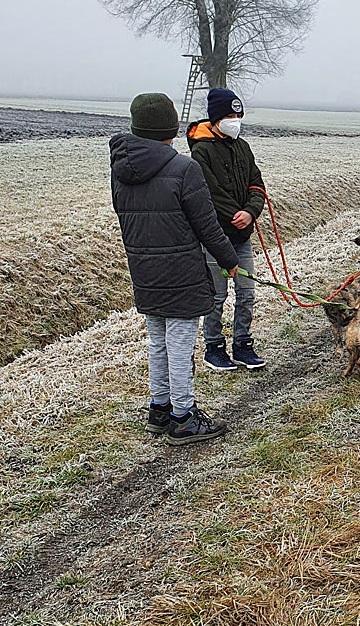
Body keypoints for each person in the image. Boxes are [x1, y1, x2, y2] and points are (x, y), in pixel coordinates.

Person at [110, 93, 238, 446]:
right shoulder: (184, 168)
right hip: (181, 272)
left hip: (144, 270)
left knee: (158, 342)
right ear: (171, 127)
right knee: (180, 345)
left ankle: (160, 409)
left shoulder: (119, 169)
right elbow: (207, 226)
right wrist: (230, 261)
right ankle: (183, 418)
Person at [186, 88, 266, 372]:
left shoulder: (243, 147)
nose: (235, 120)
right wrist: (235, 213)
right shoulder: (201, 152)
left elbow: (257, 185)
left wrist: (251, 212)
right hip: (213, 236)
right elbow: (209, 192)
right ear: (217, 118)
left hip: (242, 237)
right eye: (230, 115)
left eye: (238, 115)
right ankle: (214, 347)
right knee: (217, 295)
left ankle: (243, 344)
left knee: (247, 292)